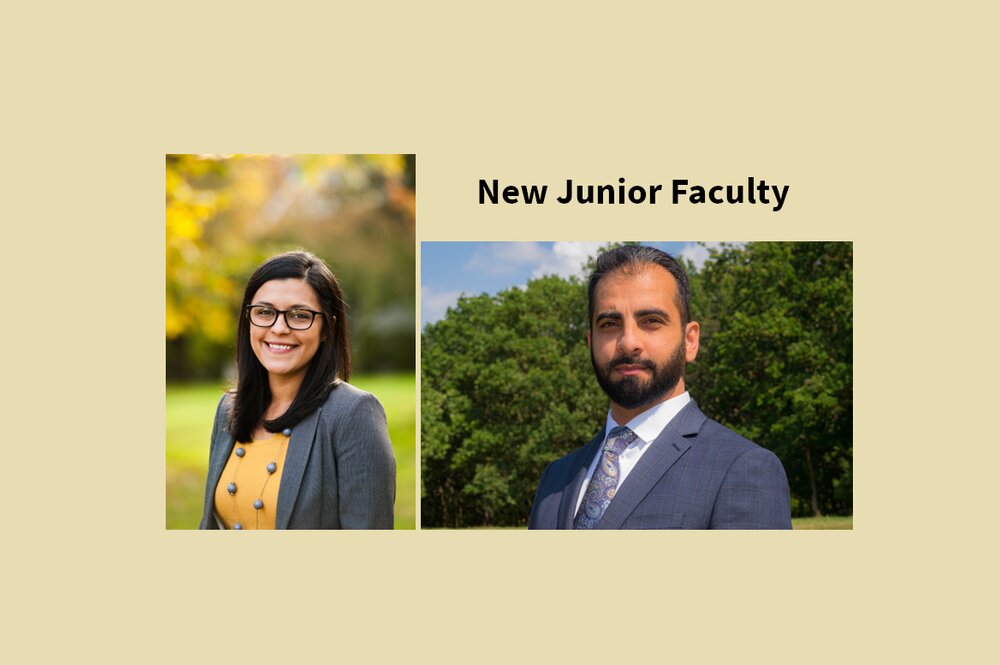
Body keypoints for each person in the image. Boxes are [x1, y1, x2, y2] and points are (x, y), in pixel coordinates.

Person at [528, 245, 791, 529]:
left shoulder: (743, 468)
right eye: (610, 323)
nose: (628, 342)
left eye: (651, 321)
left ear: (690, 341)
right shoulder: (556, 477)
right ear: (590, 342)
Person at [199, 251, 395, 529]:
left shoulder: (354, 414)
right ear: (248, 319)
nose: (279, 328)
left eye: (299, 315)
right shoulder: (229, 408)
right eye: (265, 312)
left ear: (327, 326)